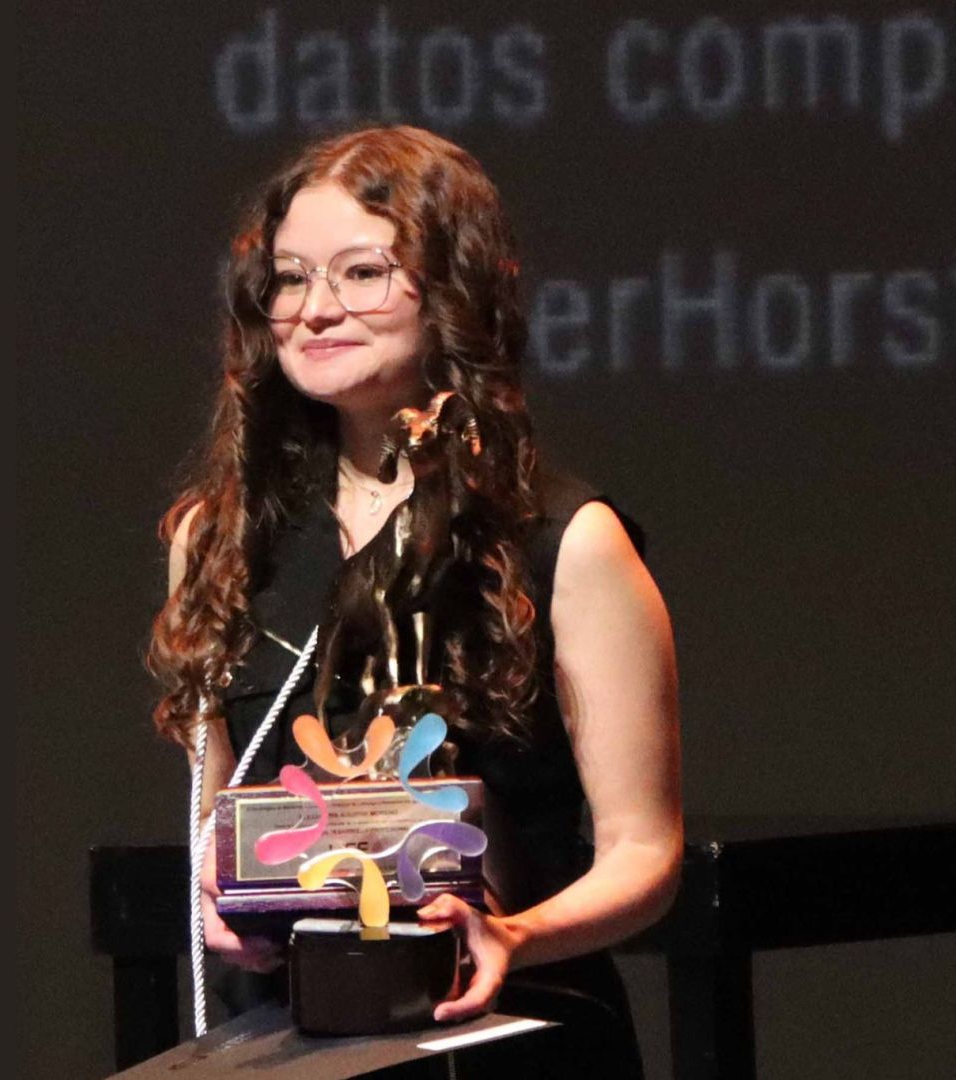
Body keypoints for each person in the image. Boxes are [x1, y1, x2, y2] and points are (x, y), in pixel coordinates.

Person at [147, 125, 681, 1077]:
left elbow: (645, 854)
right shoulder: (220, 540)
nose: (315, 310)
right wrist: (223, 898)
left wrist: (512, 935)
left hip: (506, 1034)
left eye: (361, 273)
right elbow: (220, 816)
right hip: (289, 1035)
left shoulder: (565, 542)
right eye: (290, 277)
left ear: (454, 292)